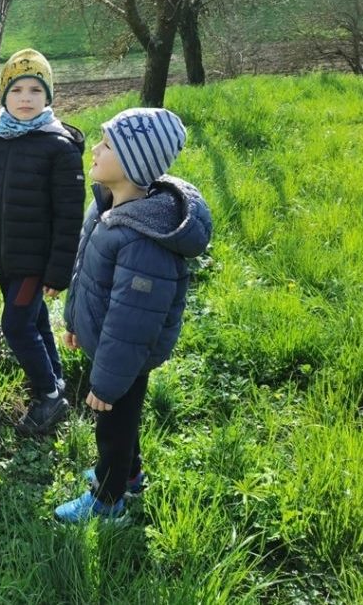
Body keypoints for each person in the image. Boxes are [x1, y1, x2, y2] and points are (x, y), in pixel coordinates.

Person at [55, 107, 212, 522]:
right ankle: (131, 474)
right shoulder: (108, 205)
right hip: (110, 347)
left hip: (125, 355)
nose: (95, 148)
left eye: (106, 145)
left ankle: (109, 500)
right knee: (122, 420)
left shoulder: (143, 240)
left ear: (132, 163)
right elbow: (89, 275)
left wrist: (105, 383)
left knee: (113, 425)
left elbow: (132, 323)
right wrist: (76, 324)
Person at [0, 48, 87, 435]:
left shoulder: (59, 146)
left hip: (35, 261)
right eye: (17, 90)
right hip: (3, 256)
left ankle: (49, 397)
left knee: (16, 326)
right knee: (34, 320)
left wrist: (58, 269)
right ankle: (58, 379)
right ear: (4, 94)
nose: (26, 99)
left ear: (48, 97)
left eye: (36, 90)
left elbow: (69, 216)